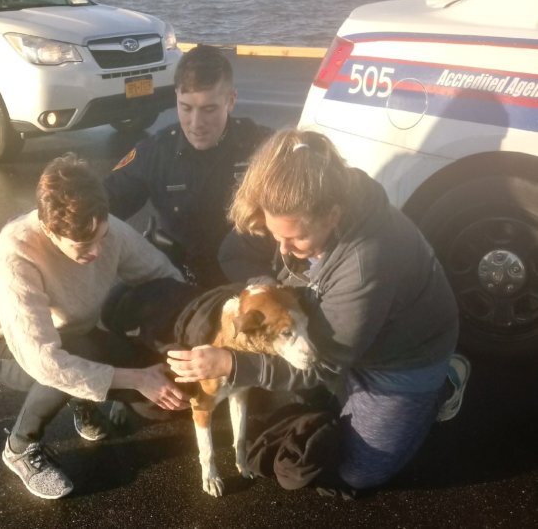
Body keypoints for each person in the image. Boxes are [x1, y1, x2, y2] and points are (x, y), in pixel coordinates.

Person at [167, 128, 470, 494]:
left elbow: (324, 361)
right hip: (335, 332)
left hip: (401, 357)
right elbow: (233, 252)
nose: (283, 247)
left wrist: (233, 364)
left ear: (332, 215)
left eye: (296, 239)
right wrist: (272, 292)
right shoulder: (289, 205)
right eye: (275, 235)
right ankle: (343, 395)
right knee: (297, 395)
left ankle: (445, 381)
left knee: (357, 473)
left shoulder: (366, 260)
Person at [0, 153, 190, 500]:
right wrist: (135, 378)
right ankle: (19, 446)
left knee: (153, 402)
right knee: (68, 366)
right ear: (49, 230)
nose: (97, 251)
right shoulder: (15, 252)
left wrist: (179, 338)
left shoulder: (107, 231)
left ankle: (83, 398)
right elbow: (44, 361)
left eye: (102, 236)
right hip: (10, 348)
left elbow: (164, 277)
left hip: (79, 335)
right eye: (83, 247)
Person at [103, 44, 272, 288]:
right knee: (114, 310)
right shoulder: (156, 151)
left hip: (246, 281)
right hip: (178, 278)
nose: (196, 123)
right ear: (176, 99)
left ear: (231, 101)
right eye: (186, 108)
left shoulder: (263, 148)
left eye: (209, 109)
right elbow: (103, 202)